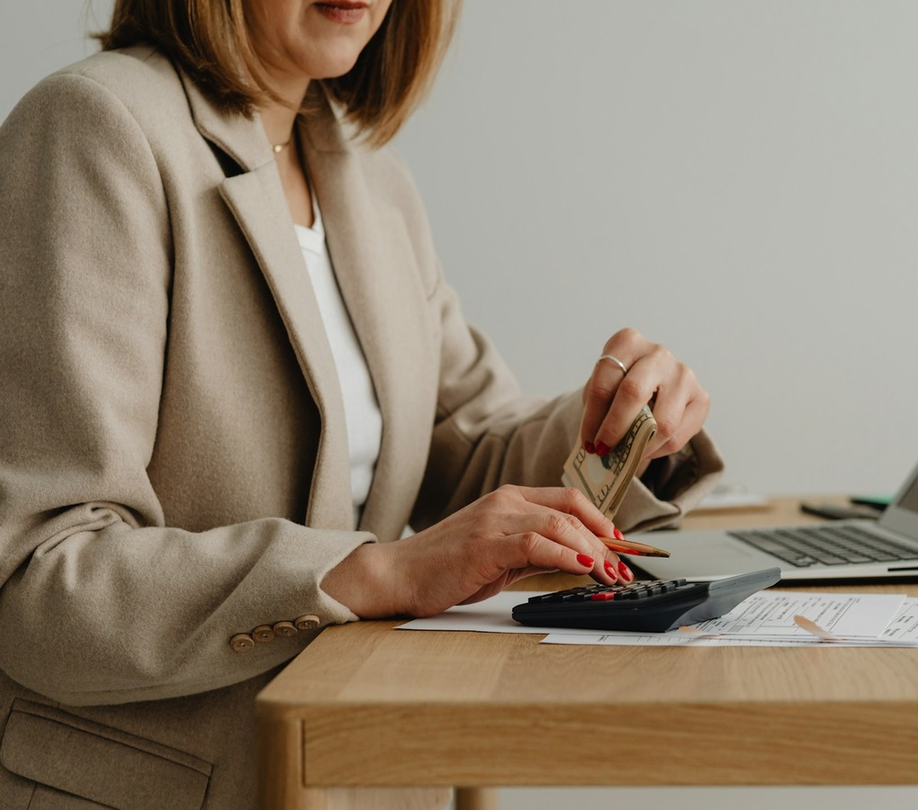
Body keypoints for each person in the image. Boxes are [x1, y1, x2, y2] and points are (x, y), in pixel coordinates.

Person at [0, 1, 722, 807]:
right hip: (163, 784)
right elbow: (38, 576)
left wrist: (628, 430)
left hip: (366, 772)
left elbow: (466, 441)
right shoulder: (94, 127)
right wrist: (379, 570)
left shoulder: (370, 177)